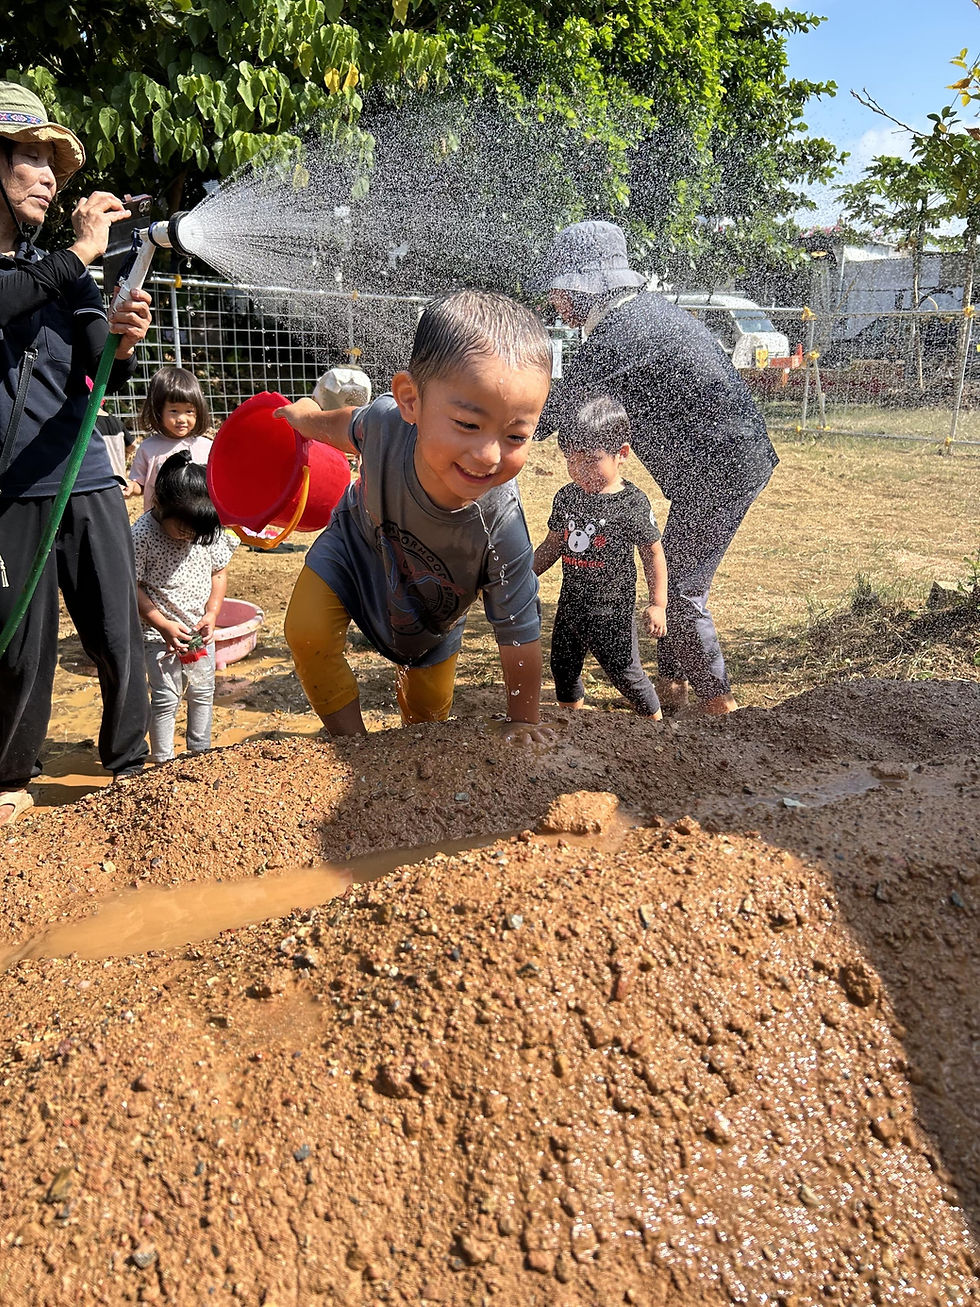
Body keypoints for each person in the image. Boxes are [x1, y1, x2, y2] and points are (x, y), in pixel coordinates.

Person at [277, 288, 554, 744]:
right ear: (410, 400)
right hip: (356, 549)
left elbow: (519, 632)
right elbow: (345, 426)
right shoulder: (386, 423)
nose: (489, 455)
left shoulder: (501, 525)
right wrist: (305, 418)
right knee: (307, 631)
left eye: (516, 436)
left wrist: (523, 718)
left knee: (427, 716)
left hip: (433, 610)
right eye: (468, 424)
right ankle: (354, 744)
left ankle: (409, 752)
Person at [530, 220, 778, 716]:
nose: (554, 300)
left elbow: (546, 416)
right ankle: (673, 689)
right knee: (682, 573)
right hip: (720, 465)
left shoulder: (620, 333)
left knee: (681, 592)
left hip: (722, 469)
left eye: (559, 288)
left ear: (584, 285)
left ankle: (719, 707)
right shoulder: (642, 315)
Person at [0, 80, 153, 826]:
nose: (48, 178)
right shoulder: (53, 268)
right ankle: (11, 775)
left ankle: (131, 765)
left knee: (117, 630)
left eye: (52, 165)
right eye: (30, 158)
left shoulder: (64, 274)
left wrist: (122, 336)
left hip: (84, 476)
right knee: (19, 647)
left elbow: (105, 372)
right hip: (12, 489)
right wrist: (80, 253)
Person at [533, 395, 666, 718]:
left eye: (591, 461)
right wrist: (523, 575)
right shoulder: (567, 497)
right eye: (571, 460)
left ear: (622, 454)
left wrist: (658, 603)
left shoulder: (632, 503)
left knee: (626, 673)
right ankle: (572, 721)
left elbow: (652, 552)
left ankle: (657, 726)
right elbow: (553, 544)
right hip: (571, 605)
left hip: (612, 612)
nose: (580, 471)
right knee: (562, 668)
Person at [132, 451, 237, 764]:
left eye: (197, 534)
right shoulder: (142, 535)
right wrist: (162, 624)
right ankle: (163, 761)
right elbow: (131, 586)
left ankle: (199, 754)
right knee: (166, 697)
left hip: (198, 632)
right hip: (158, 636)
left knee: (203, 691)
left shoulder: (205, 530)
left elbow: (219, 572)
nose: (190, 537)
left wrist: (213, 613)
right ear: (159, 504)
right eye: (182, 529)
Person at [126, 365, 212, 509]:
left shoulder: (206, 447)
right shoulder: (148, 448)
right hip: (158, 519)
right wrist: (131, 487)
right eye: (174, 411)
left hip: (198, 518)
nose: (181, 419)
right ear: (158, 411)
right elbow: (140, 484)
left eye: (189, 411)